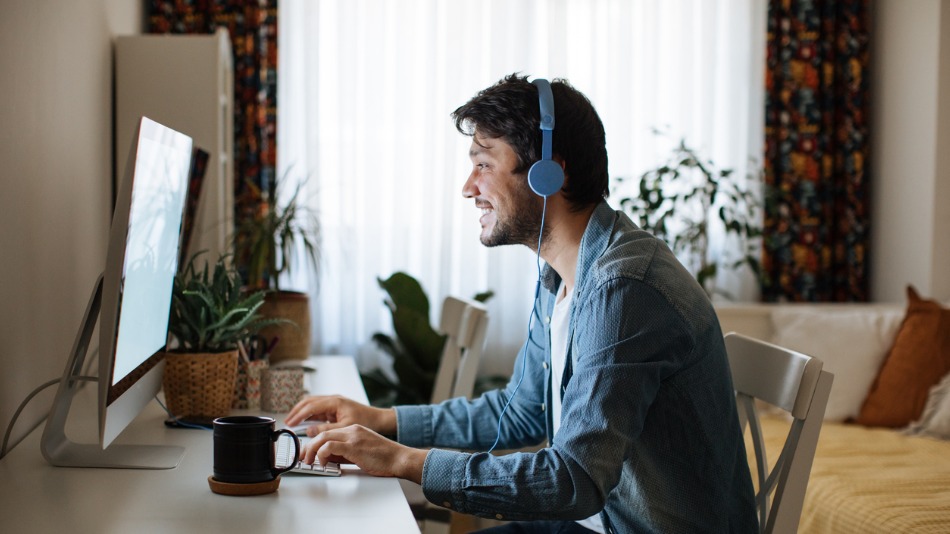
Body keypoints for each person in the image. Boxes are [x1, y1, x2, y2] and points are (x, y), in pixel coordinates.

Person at [285, 73, 758, 533]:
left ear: (549, 171)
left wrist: (402, 460)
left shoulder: (625, 288)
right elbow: (520, 410)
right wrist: (382, 420)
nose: (469, 187)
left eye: (484, 164)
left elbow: (573, 481)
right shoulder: (560, 274)